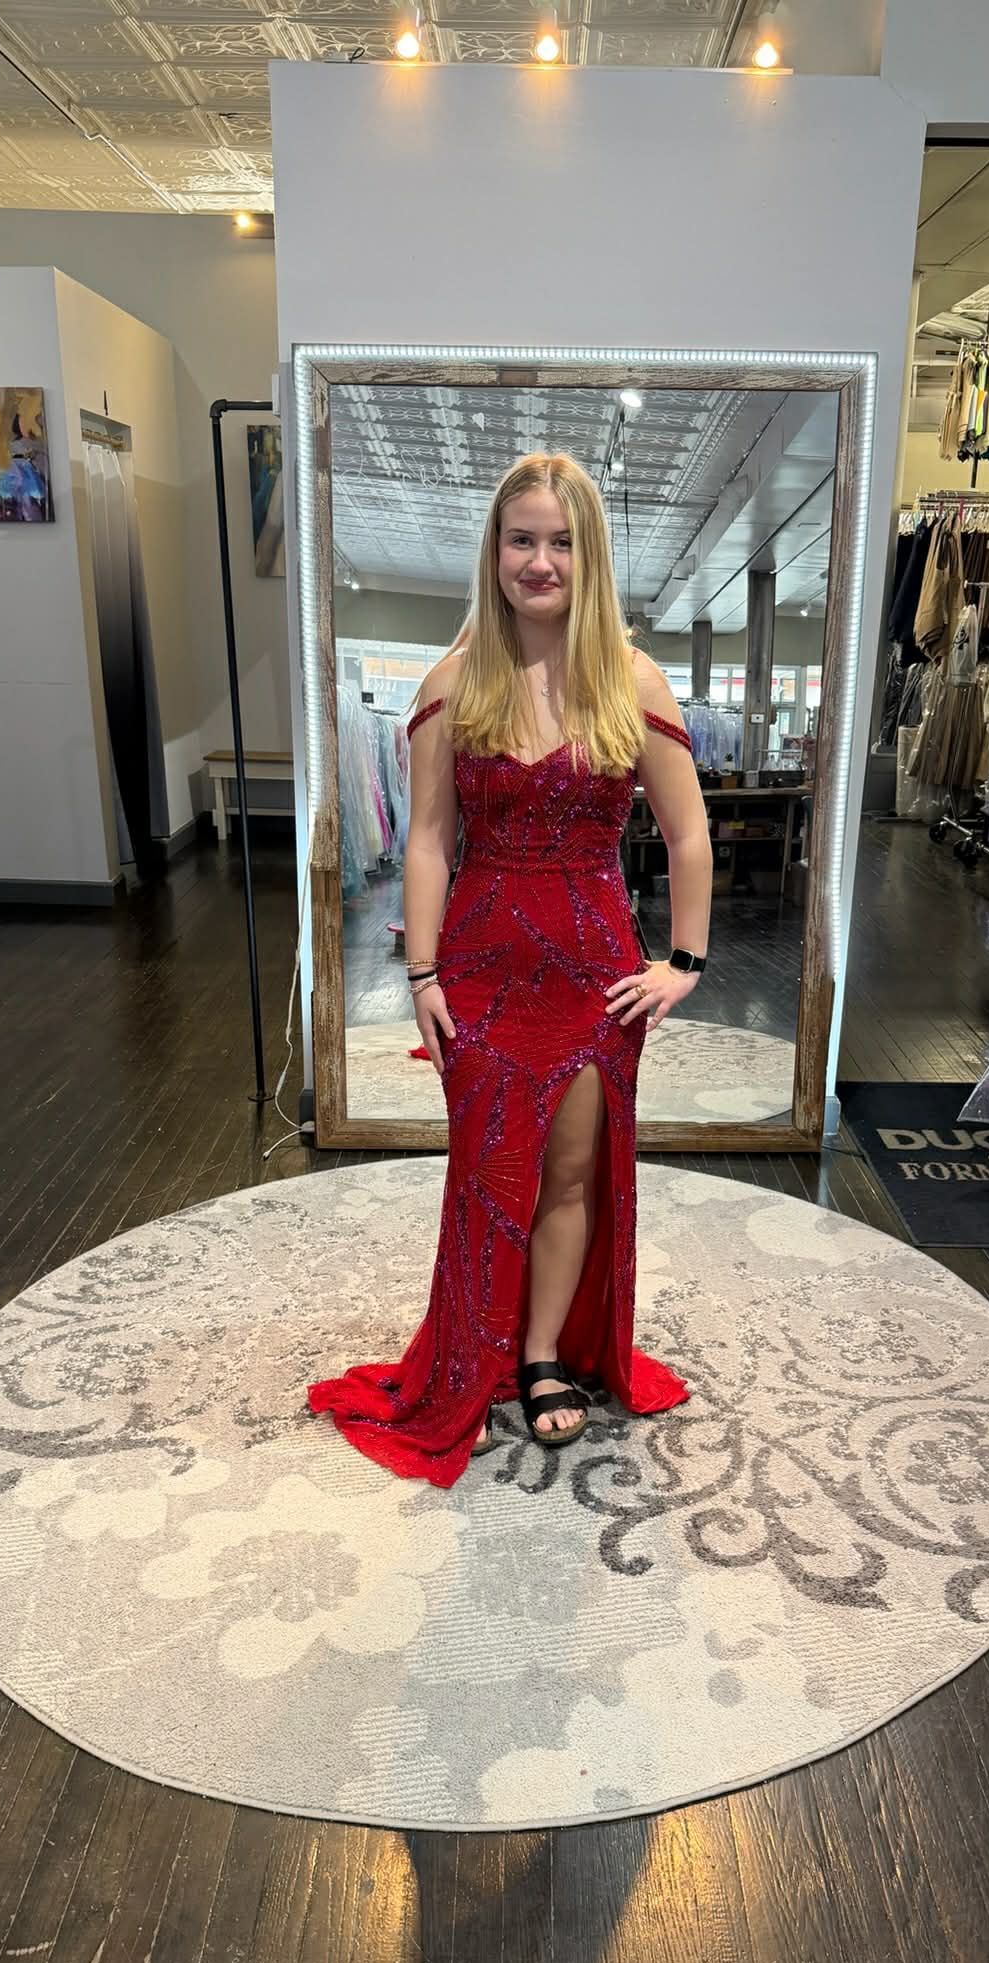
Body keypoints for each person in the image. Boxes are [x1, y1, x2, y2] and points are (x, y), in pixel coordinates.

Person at [307, 450, 713, 1487]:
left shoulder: (633, 679)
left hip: (592, 975)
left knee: (571, 1173)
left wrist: (685, 963)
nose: (541, 560)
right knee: (490, 1179)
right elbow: (430, 841)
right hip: (480, 975)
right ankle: (474, 1347)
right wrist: (425, 977)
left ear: (592, 555)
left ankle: (537, 1355)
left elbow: (689, 831)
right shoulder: (455, 682)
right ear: (494, 552)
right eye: (522, 538)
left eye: (562, 540)